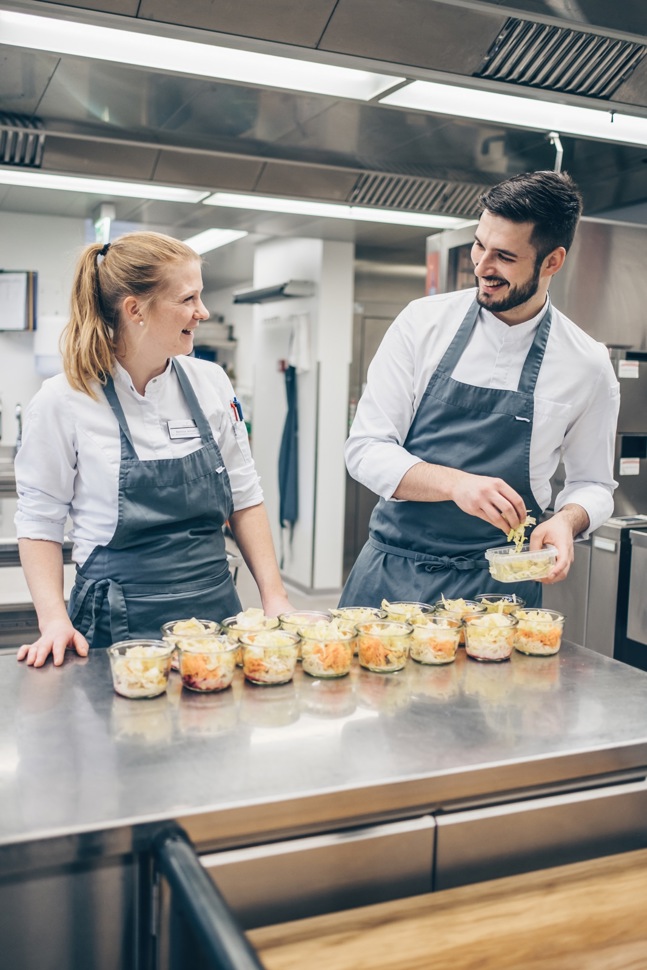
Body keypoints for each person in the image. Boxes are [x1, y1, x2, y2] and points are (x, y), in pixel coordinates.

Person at [340, 170, 619, 609]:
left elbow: (594, 484)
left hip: (499, 593)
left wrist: (568, 519)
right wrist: (455, 485)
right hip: (392, 579)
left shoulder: (587, 363)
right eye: (478, 245)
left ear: (552, 261)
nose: (482, 267)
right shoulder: (421, 323)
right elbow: (365, 448)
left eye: (505, 257)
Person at [15, 231, 293, 667]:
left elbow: (244, 496)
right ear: (135, 310)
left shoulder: (211, 384)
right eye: (188, 299)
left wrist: (274, 596)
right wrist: (53, 620)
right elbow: (39, 521)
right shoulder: (64, 400)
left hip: (216, 618)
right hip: (117, 624)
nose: (202, 312)